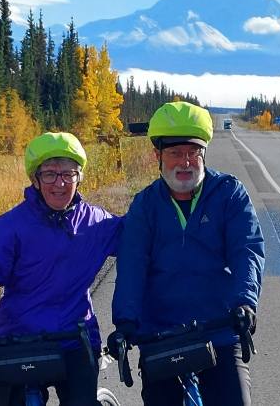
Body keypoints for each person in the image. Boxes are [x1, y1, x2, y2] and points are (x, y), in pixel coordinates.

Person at [109, 101, 265, 406]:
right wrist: (125, 322)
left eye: (193, 153)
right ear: (158, 156)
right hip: (161, 336)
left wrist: (245, 303)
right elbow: (131, 266)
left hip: (218, 331)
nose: (185, 162)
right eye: (175, 153)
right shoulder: (145, 206)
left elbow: (246, 250)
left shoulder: (228, 194)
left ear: (204, 154)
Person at [0, 132, 121, 406]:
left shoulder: (97, 222)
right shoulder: (10, 228)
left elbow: (139, 244)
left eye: (69, 173)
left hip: (75, 339)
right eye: (50, 174)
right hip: (19, 342)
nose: (60, 183)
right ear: (35, 179)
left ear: (80, 177)